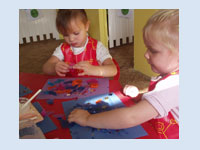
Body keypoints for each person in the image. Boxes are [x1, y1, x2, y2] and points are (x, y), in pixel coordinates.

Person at [68, 9, 179, 139]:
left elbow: (131, 117)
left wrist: (88, 118)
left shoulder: (174, 85)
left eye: (153, 51)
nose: (145, 54)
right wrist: (141, 95)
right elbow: (164, 100)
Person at [43, 9, 117, 77]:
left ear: (86, 26)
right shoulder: (63, 48)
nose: (71, 39)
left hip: (94, 87)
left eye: (76, 33)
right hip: (72, 88)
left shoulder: (97, 47)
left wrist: (96, 70)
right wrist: (54, 67)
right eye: (65, 35)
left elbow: (113, 70)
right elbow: (46, 67)